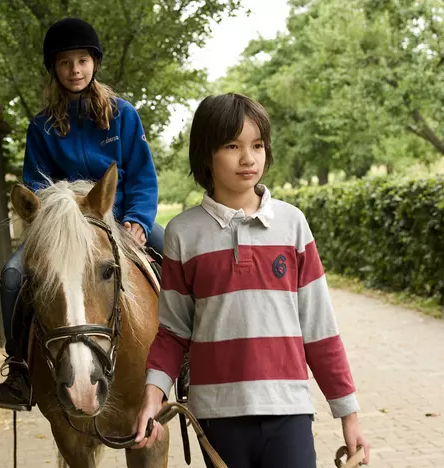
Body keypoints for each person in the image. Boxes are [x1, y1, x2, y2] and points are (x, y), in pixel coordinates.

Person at [132, 93, 371, 467]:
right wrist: (152, 398)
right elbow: (173, 332)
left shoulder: (293, 225)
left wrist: (348, 414)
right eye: (232, 145)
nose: (248, 158)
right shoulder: (182, 233)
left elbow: (319, 328)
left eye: (257, 145)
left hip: (288, 410)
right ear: (206, 154)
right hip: (216, 417)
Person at [0, 17, 162, 412]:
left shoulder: (122, 116)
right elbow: (36, 185)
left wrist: (137, 219)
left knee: (175, 255)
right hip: (67, 231)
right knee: (12, 276)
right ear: (55, 68)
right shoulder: (42, 128)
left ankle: (188, 360)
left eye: (82, 60)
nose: (75, 70)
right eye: (65, 62)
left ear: (94, 63)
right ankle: (18, 369)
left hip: (120, 220)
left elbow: (142, 175)